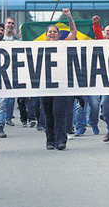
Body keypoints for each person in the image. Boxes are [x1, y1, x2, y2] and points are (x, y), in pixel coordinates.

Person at [40, 9, 77, 150]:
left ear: (59, 34)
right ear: (46, 35)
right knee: (48, 115)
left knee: (59, 114)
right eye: (50, 31)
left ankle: (61, 141)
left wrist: (69, 17)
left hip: (61, 85)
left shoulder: (64, 43)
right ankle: (50, 141)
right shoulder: (38, 47)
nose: (52, 33)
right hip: (45, 85)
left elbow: (73, 33)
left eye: (55, 31)